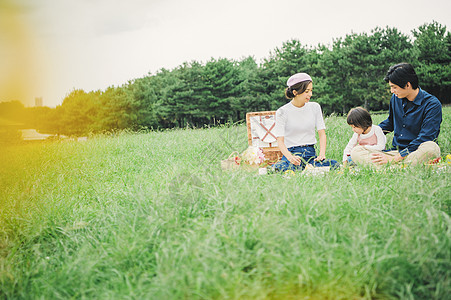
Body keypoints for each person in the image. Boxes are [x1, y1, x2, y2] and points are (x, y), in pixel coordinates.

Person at [351, 63, 442, 166]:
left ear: (408, 85)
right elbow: (390, 123)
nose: (391, 91)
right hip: (394, 153)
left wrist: (396, 158)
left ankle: (390, 167)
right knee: (356, 151)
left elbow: (426, 137)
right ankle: (400, 168)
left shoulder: (432, 105)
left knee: (431, 148)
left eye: (394, 87)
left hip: (415, 152)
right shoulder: (395, 98)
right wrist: (368, 131)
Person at [272, 72, 338, 172]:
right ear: (295, 92)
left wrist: (322, 154)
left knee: (334, 165)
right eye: (307, 91)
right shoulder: (282, 112)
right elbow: (280, 141)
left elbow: (322, 134)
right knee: (284, 167)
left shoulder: (315, 107)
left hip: (311, 153)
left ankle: (307, 169)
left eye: (311, 90)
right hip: (292, 154)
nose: (310, 94)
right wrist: (291, 158)